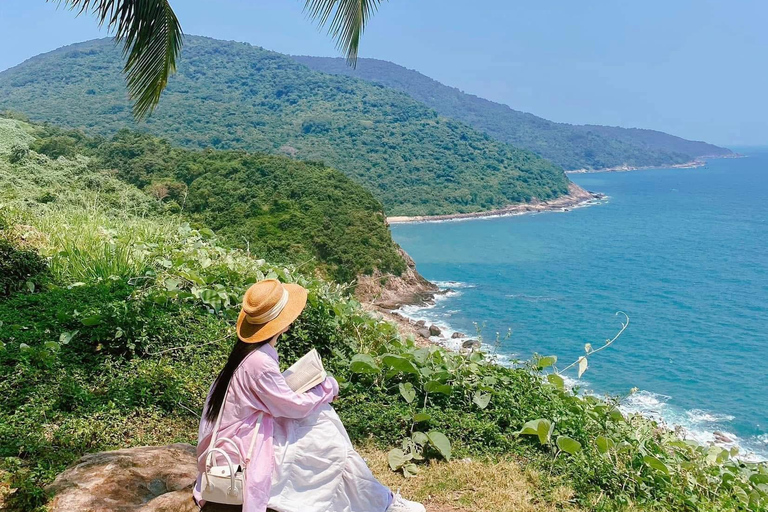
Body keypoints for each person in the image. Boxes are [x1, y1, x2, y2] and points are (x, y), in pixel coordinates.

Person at [193, 278, 426, 512]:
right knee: (328, 437)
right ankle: (383, 502)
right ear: (281, 323)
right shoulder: (259, 361)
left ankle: (381, 499)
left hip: (240, 433)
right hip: (244, 444)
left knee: (324, 425)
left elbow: (271, 397)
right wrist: (327, 388)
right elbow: (293, 406)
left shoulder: (246, 353)